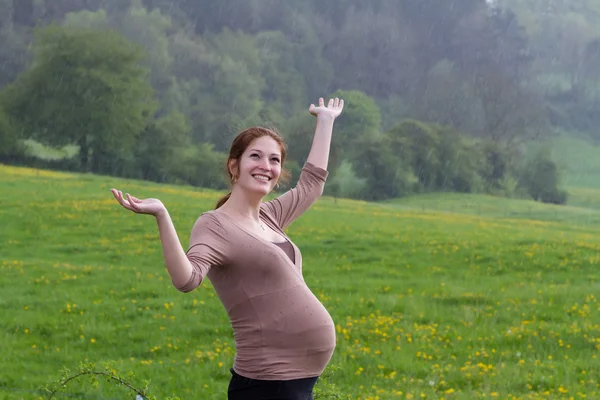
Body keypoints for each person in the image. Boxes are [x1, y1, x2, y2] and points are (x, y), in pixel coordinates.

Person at [111, 97, 345, 400]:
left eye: (274, 160)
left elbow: (311, 185)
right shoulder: (215, 225)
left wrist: (325, 120)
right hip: (267, 383)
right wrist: (162, 215)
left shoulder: (270, 216)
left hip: (295, 383)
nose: (266, 166)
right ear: (234, 165)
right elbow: (187, 279)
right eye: (256, 157)